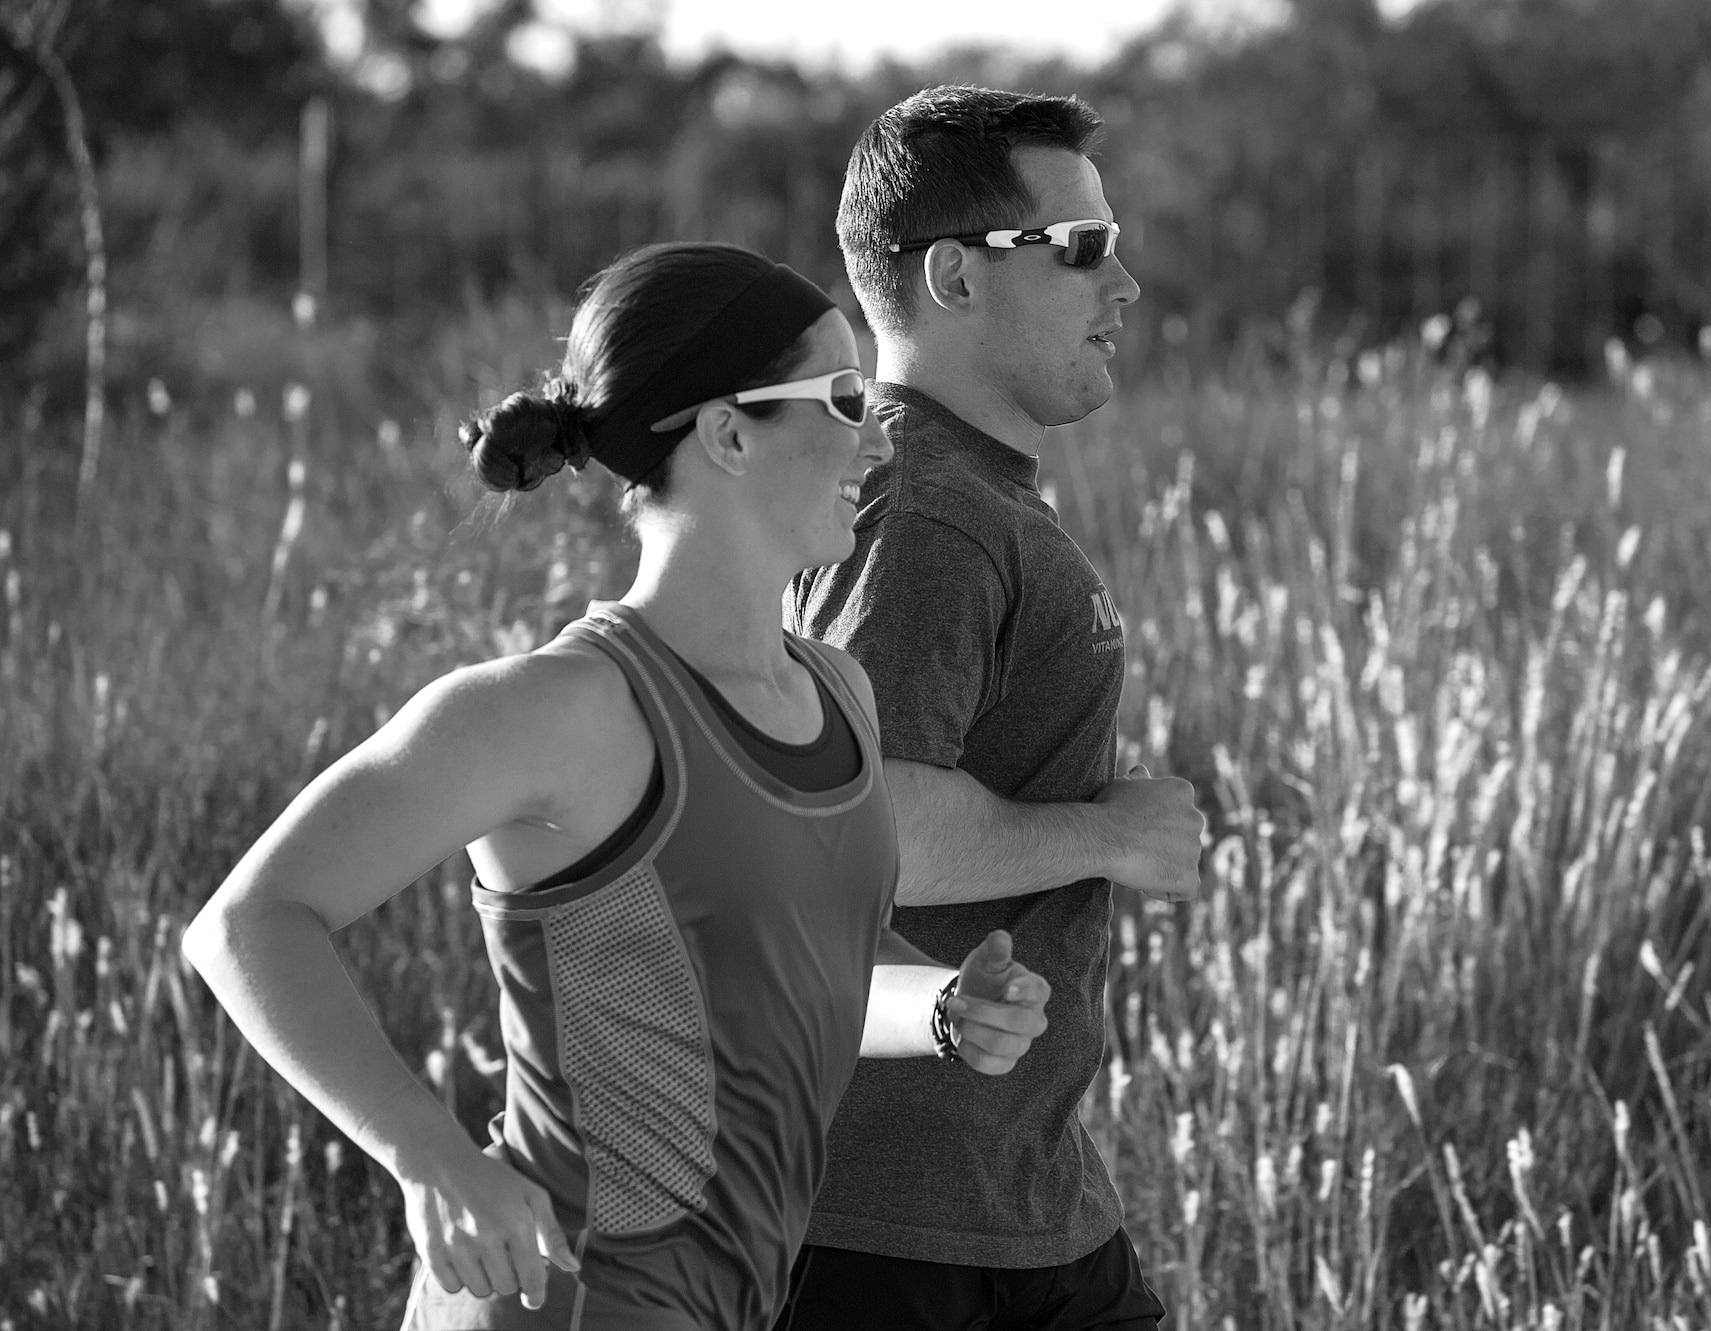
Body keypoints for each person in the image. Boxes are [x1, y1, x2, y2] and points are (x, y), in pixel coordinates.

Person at [182, 241, 1054, 1331]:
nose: (879, 435)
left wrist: (941, 1006)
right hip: (558, 1300)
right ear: (727, 432)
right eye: (841, 397)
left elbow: (782, 964)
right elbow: (250, 920)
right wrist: (430, 1160)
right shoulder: (556, 710)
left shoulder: (839, 694)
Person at [779, 88, 1205, 1330]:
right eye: (1079, 250)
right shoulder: (924, 513)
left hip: (1014, 1197)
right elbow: (866, 829)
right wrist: (1107, 835)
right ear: (953, 278)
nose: (1120, 286)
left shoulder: (964, 495)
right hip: (879, 1221)